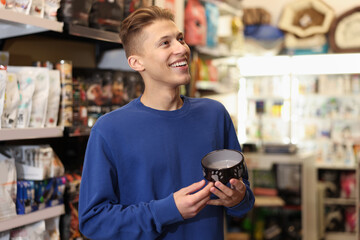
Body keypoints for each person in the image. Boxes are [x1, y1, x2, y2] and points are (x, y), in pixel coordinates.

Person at [78, 6, 254, 240]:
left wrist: (238, 198)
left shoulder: (214, 115)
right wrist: (168, 211)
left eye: (180, 39)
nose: (181, 48)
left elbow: (244, 202)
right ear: (136, 62)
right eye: (165, 43)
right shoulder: (109, 129)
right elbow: (93, 222)